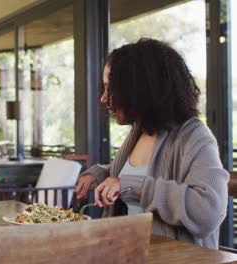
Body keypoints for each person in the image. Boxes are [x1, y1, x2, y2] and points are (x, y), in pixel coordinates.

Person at [74, 38, 228, 249]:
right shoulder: (140, 131)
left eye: (111, 89)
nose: (103, 98)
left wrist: (132, 186)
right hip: (130, 252)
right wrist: (101, 174)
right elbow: (142, 172)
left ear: (142, 88)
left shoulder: (195, 137)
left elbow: (208, 211)